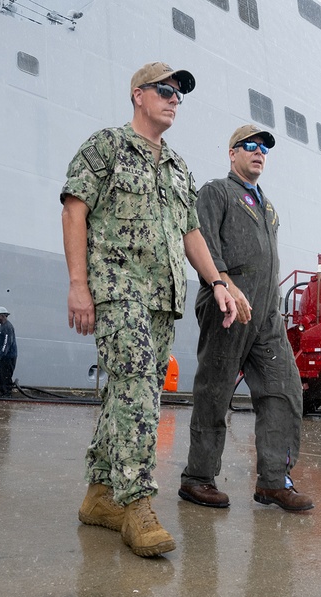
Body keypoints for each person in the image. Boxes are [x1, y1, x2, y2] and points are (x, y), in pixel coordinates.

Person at [59, 62, 238, 557]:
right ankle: (136, 504)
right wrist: (79, 285)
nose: (174, 98)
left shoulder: (179, 168)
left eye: (179, 93)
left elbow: (191, 233)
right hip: (117, 289)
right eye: (165, 90)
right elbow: (75, 209)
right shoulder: (107, 147)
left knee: (127, 389)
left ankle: (99, 495)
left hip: (163, 299)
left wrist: (217, 281)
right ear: (138, 95)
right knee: (139, 394)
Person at [179, 124, 315, 511]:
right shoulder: (216, 192)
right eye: (250, 147)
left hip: (266, 314)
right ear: (232, 153)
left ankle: (274, 481)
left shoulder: (267, 207)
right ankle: (198, 477)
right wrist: (223, 283)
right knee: (215, 389)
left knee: (284, 390)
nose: (259, 153)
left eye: (264, 150)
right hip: (227, 304)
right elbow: (202, 238)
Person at [0, 306, 17, 397]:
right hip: (3, 357)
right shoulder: (3, 326)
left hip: (8, 357)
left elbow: (7, 343)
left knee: (6, 375)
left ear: (3, 316)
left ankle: (7, 393)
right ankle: (1, 391)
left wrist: (1, 354)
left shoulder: (7, 327)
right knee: (1, 375)